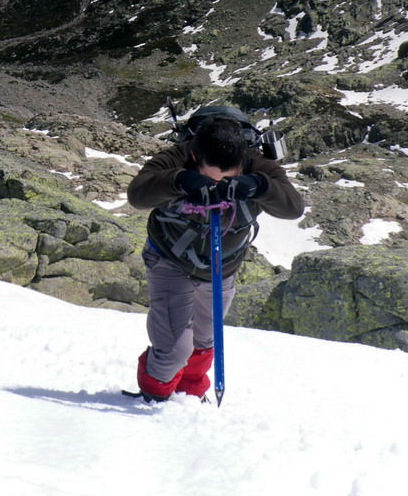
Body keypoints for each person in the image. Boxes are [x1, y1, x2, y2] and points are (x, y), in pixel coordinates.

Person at [126, 111, 304, 400]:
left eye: (228, 177)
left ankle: (191, 393)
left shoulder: (258, 166)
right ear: (196, 157)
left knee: (205, 338)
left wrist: (260, 185)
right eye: (212, 178)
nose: (220, 184)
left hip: (223, 268)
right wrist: (179, 181)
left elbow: (293, 208)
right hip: (171, 260)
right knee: (174, 349)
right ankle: (155, 394)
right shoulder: (177, 158)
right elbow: (137, 195)